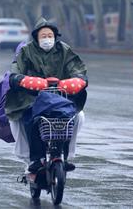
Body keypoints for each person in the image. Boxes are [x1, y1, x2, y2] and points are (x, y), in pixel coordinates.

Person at [5, 17, 88, 173]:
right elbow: (15, 71)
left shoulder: (65, 50)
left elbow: (77, 68)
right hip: (32, 98)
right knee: (28, 118)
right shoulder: (26, 51)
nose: (47, 39)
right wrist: (23, 80)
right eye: (43, 36)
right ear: (36, 37)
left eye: (50, 35)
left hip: (61, 97)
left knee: (78, 116)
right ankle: (34, 159)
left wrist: (79, 79)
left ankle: (66, 155)